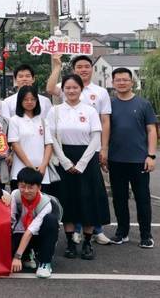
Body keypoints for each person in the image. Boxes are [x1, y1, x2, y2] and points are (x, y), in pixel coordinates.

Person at [47, 53, 112, 245]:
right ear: (63, 90)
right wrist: (65, 162)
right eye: (68, 88)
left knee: (88, 200)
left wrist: (82, 163)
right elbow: (51, 138)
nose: (71, 90)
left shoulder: (90, 110)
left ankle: (88, 243)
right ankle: (69, 241)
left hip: (87, 158)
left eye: (75, 87)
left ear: (81, 89)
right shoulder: (55, 111)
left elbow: (96, 136)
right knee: (68, 200)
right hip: (64, 158)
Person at [107, 67, 156, 248]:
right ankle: (122, 233)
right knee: (119, 199)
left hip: (139, 160)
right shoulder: (109, 105)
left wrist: (151, 155)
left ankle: (146, 235)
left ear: (132, 82)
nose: (122, 83)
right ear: (113, 83)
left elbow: (151, 130)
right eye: (118, 80)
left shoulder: (144, 104)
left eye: (125, 79)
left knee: (142, 199)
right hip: (116, 160)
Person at [11, 167, 62, 279]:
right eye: (22, 186)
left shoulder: (45, 203)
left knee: (51, 220)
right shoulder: (15, 195)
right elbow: (11, 220)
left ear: (39, 187)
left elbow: (31, 230)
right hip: (19, 233)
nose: (26, 190)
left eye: (30, 187)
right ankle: (27, 255)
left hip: (37, 235)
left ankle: (45, 262)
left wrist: (17, 257)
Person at [8, 85, 54, 191]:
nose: (29, 102)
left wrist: (43, 165)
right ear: (20, 101)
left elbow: (48, 145)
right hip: (20, 170)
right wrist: (30, 166)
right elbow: (15, 145)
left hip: (42, 172)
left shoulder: (42, 121)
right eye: (26, 99)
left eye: (33, 99)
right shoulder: (15, 120)